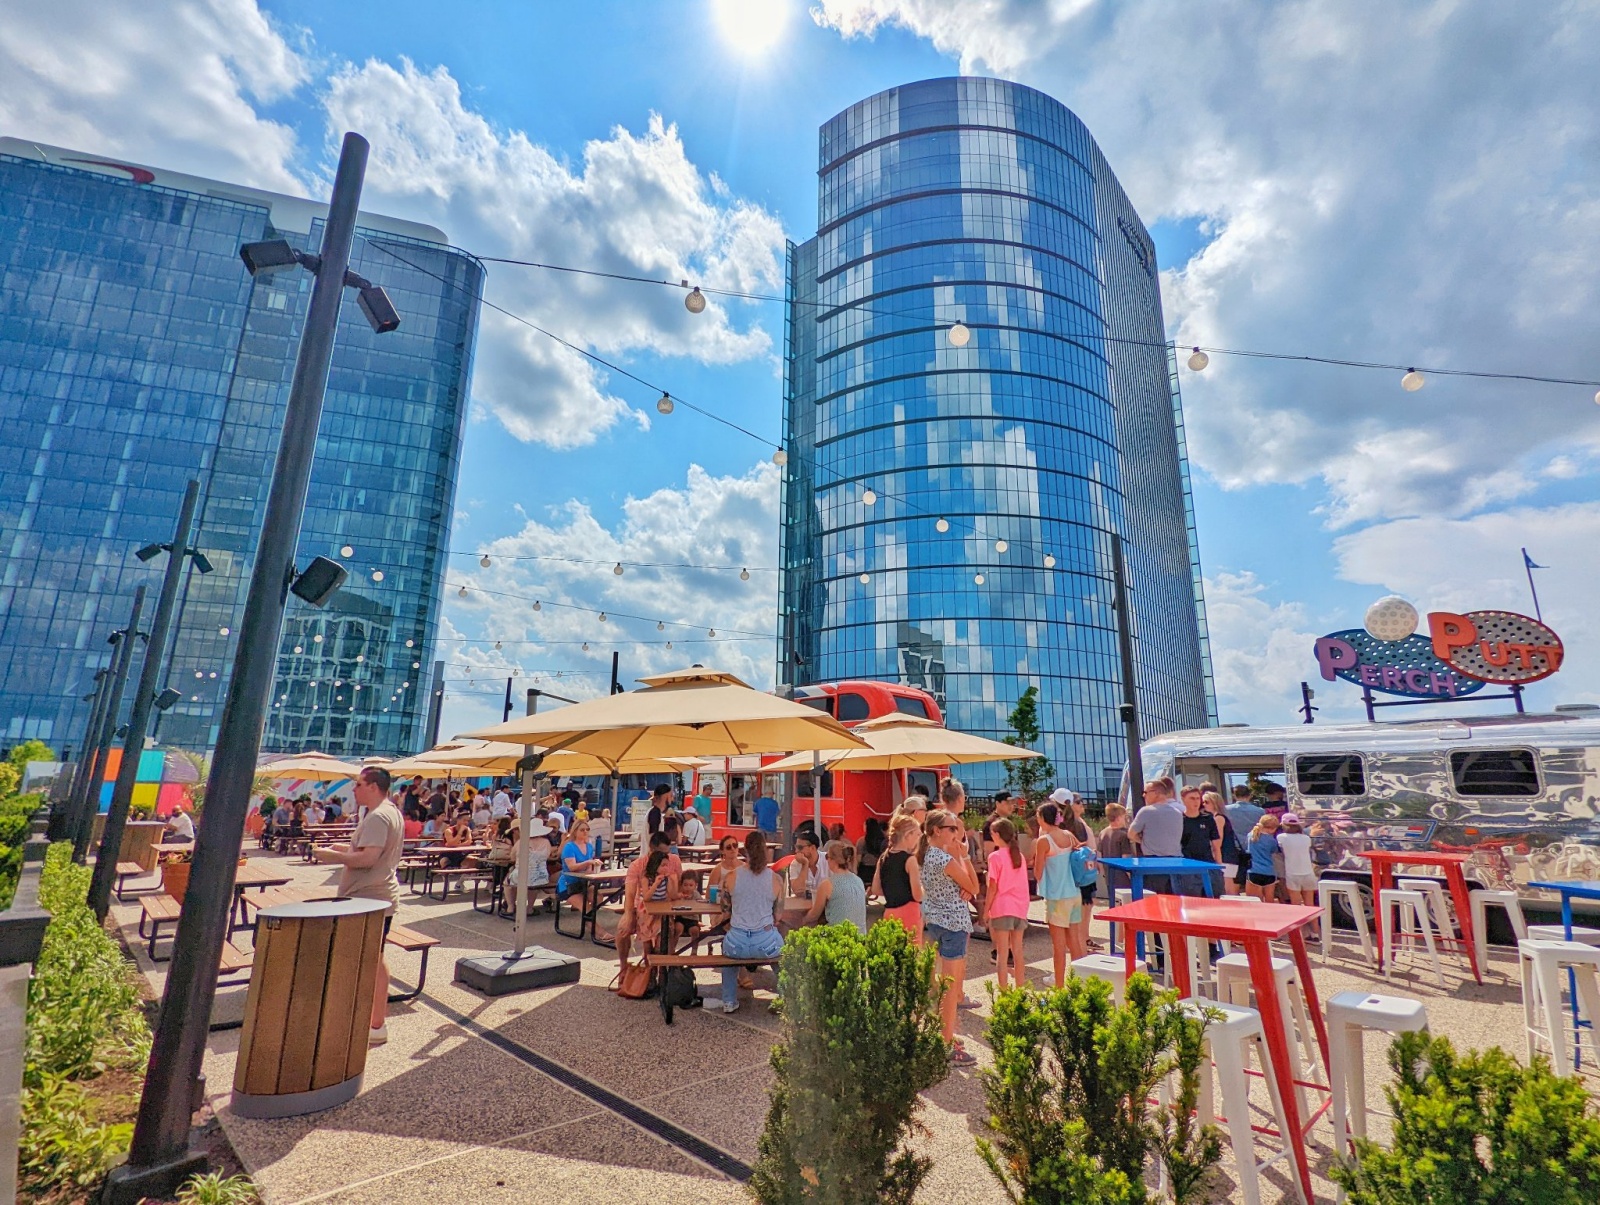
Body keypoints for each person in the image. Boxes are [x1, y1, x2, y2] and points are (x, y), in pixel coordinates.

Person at [314, 766, 404, 1044]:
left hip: (370, 896)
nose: (353, 789)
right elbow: (368, 852)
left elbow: (368, 859)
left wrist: (332, 857)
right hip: (374, 895)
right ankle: (373, 1021)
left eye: (358, 784)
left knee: (371, 960)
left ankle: (376, 1024)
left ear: (373, 787)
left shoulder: (378, 816)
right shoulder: (387, 812)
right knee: (371, 958)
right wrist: (342, 849)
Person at [922, 811, 980, 1066]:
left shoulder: (928, 856)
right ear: (937, 830)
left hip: (935, 921)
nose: (956, 833)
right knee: (951, 987)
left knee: (939, 984)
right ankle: (947, 1044)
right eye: (951, 828)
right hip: (954, 924)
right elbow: (976, 887)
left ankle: (943, 1035)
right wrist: (963, 856)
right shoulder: (946, 858)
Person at [717, 831, 784, 1014]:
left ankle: (729, 1001)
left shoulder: (731, 877)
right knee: (781, 953)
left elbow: (725, 911)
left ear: (744, 850)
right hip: (765, 943)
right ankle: (786, 997)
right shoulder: (776, 879)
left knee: (728, 959)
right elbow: (778, 917)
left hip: (737, 942)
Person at [1034, 802, 1084, 985]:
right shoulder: (1069, 835)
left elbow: (1037, 872)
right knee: (1075, 942)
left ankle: (1060, 985)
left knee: (1059, 945)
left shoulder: (1044, 841)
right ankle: (1079, 982)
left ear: (1042, 818)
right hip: (1074, 893)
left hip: (1057, 896)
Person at [617, 831, 679, 966]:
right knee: (622, 930)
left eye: (667, 852)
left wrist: (672, 880)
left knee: (666, 932)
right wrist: (628, 914)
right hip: (643, 907)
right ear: (652, 849)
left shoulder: (673, 861)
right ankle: (624, 967)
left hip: (665, 908)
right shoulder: (638, 865)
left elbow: (677, 890)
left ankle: (662, 968)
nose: (665, 856)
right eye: (662, 852)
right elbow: (630, 893)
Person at [985, 818, 1030, 990]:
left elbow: (993, 887)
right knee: (1018, 951)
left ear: (996, 835)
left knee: (1002, 954)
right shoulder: (1019, 857)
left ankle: (1004, 991)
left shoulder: (994, 857)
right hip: (1019, 907)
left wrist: (986, 909)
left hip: (1002, 907)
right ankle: (1020, 988)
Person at [1128, 777, 1184, 893]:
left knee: (1152, 899)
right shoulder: (1178, 813)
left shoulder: (1146, 811)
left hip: (1153, 863)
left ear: (1156, 793)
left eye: (1146, 792)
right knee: (1172, 900)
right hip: (1175, 863)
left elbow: (1131, 834)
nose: (1144, 795)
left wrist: (1143, 842)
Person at [872, 816, 923, 938]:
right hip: (909, 912)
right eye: (917, 835)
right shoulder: (910, 860)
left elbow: (876, 889)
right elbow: (918, 895)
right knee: (911, 953)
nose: (918, 838)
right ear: (908, 835)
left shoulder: (883, 858)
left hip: (890, 912)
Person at [801, 841, 868, 933]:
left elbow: (814, 914)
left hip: (838, 938)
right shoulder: (858, 881)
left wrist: (802, 920)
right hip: (860, 937)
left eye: (827, 857)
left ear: (833, 860)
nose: (826, 860)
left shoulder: (827, 884)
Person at [1178, 784, 1222, 896]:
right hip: (1187, 866)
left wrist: (1219, 868)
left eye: (1198, 798)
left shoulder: (1208, 818)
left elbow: (1216, 846)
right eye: (1192, 798)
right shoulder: (1179, 820)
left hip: (1208, 864)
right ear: (1183, 799)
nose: (1196, 802)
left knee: (1213, 898)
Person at [1277, 813, 1318, 925]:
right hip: (1308, 873)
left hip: (1292, 873)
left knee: (1296, 906)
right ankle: (1315, 934)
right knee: (1310, 906)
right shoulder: (1306, 838)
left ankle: (1299, 934)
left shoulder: (1281, 837)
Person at [1205, 789, 1243, 895]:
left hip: (1225, 855)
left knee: (1227, 886)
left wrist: (1215, 855)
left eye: (1206, 802)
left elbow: (1218, 840)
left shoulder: (1218, 818)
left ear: (1214, 803)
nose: (1203, 805)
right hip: (1228, 855)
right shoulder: (1219, 817)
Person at [556, 817, 602, 904]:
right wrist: (588, 862)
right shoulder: (569, 846)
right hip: (568, 885)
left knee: (598, 898)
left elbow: (589, 867)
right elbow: (571, 867)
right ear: (575, 831)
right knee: (584, 905)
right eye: (582, 830)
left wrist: (591, 869)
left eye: (587, 829)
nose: (585, 832)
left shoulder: (589, 846)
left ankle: (589, 915)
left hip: (583, 883)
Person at [1245, 813, 1281, 900]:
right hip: (1269, 872)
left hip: (1254, 870)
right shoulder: (1272, 840)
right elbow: (1274, 851)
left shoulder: (1251, 835)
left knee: (1255, 902)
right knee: (1269, 901)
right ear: (1273, 828)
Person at [786, 830, 823, 898]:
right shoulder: (795, 864)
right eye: (795, 847)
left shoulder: (828, 860)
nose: (796, 851)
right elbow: (798, 891)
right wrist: (805, 865)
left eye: (800, 847)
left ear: (812, 848)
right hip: (804, 906)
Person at [856, 817, 887, 889]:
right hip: (879, 869)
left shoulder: (861, 841)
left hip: (865, 871)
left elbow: (858, 859)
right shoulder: (884, 840)